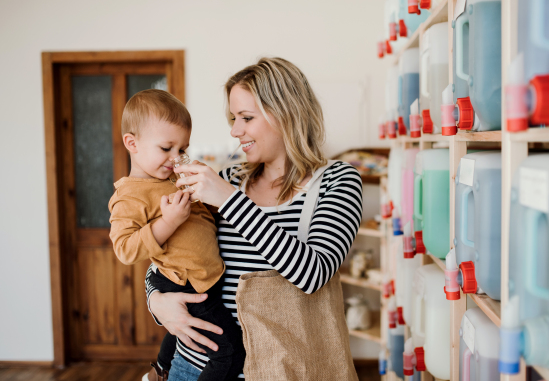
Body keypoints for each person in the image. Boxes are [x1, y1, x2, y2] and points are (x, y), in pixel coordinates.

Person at [146, 57, 364, 380]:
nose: (235, 131)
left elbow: (313, 272)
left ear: (286, 113)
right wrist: (156, 301)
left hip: (287, 371)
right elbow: (166, 255)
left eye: (246, 117)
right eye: (234, 118)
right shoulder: (228, 178)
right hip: (196, 367)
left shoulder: (337, 181)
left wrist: (229, 201)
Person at [108, 89, 245, 381]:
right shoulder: (129, 195)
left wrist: (211, 194)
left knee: (185, 329)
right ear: (132, 143)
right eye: (166, 148)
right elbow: (125, 249)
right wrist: (168, 223)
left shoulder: (173, 179)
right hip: (183, 281)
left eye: (182, 149)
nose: (175, 158)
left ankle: (159, 370)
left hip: (201, 276)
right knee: (229, 351)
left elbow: (203, 223)